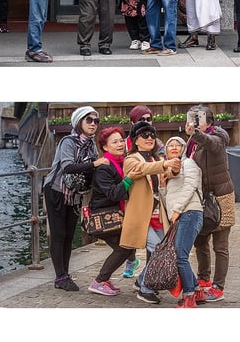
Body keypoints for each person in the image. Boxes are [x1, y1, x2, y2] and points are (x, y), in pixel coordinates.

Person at [44, 106, 102, 291]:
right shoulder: (68, 142)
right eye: (89, 120)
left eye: (96, 121)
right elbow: (67, 167)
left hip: (74, 194)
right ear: (79, 122)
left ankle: (64, 274)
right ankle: (60, 276)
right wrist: (94, 163)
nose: (93, 124)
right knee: (59, 234)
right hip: (56, 190)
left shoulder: (91, 144)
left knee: (69, 235)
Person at [120, 122, 178, 303]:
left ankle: (141, 281)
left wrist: (175, 168)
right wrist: (165, 164)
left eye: (152, 135)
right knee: (159, 249)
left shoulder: (154, 160)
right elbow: (141, 169)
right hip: (140, 216)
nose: (150, 138)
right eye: (145, 135)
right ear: (135, 140)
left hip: (157, 215)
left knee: (164, 250)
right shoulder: (131, 160)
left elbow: (167, 172)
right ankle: (144, 288)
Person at [186, 105, 235, 301]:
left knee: (220, 245)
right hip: (202, 197)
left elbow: (212, 144)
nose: (194, 121)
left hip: (222, 196)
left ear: (210, 121)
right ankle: (204, 279)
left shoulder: (219, 135)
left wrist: (196, 134)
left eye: (199, 117)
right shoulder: (191, 141)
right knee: (200, 241)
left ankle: (218, 287)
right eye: (192, 117)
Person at [151, 132, 201, 307]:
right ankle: (197, 290)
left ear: (183, 149)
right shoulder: (168, 171)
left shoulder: (188, 163)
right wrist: (162, 186)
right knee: (180, 255)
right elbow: (166, 201)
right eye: (170, 145)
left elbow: (190, 186)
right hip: (180, 215)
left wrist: (178, 209)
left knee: (180, 256)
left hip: (190, 213)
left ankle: (189, 297)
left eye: (177, 145)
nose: (173, 147)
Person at [85, 126, 135, 296]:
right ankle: (99, 281)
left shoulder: (121, 162)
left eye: (121, 140)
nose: (120, 144)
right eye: (115, 142)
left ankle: (104, 279)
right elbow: (113, 193)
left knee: (126, 248)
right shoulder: (104, 168)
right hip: (104, 216)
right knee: (124, 248)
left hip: (113, 214)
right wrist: (129, 179)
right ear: (105, 147)